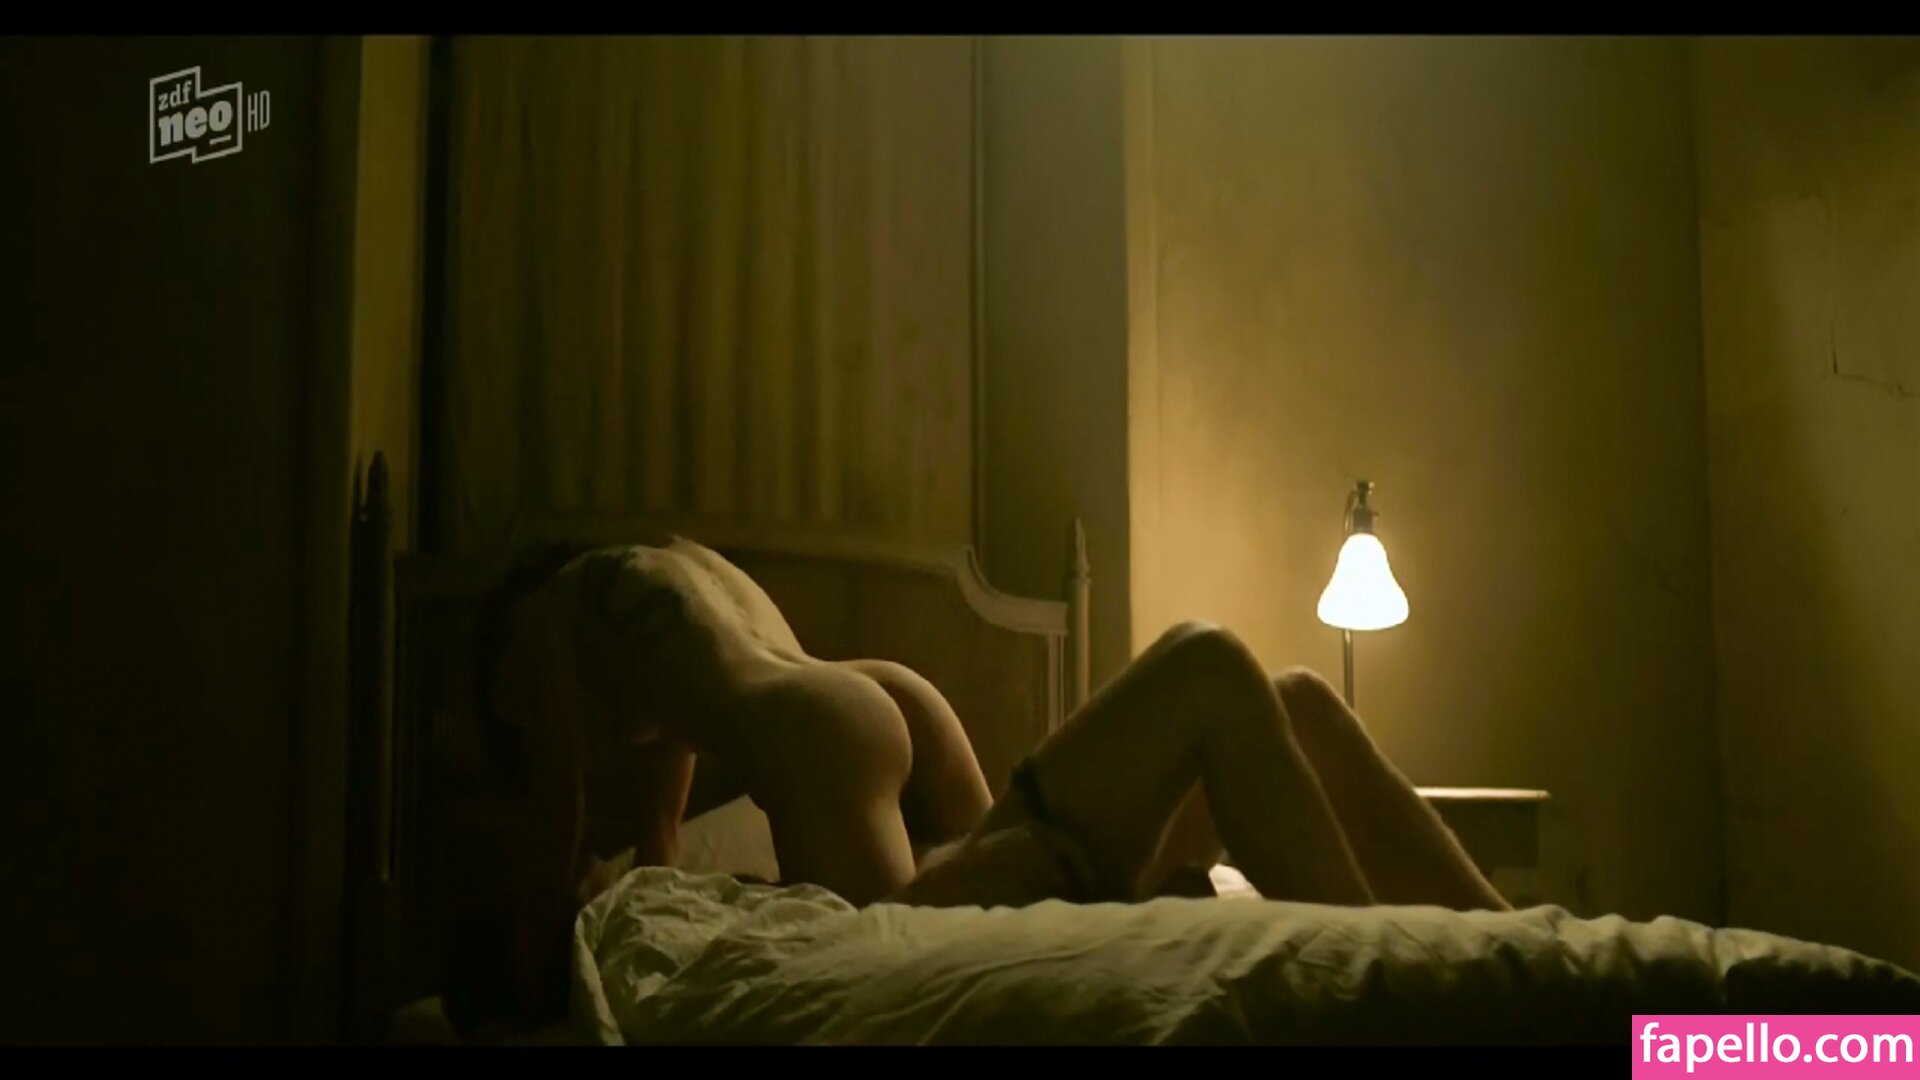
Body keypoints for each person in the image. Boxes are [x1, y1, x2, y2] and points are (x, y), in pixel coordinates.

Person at [456, 536, 1507, 1032]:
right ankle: (1521, 955)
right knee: (1288, 698)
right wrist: (648, 867)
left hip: (817, 737)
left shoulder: (535, 634)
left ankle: (1403, 1007)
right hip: (881, 696)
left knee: (905, 949)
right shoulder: (665, 569)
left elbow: (557, 805)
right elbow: (665, 818)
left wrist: (549, 919)